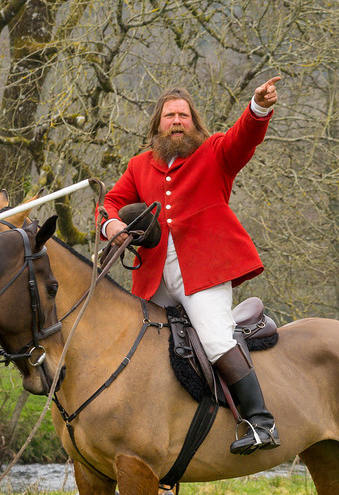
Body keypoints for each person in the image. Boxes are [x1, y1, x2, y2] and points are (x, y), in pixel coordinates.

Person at [102, 77, 281, 455]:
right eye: (170, 116)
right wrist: (111, 223)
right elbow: (111, 201)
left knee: (215, 337)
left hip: (203, 269)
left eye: (184, 115)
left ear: (194, 122)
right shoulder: (139, 166)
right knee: (140, 344)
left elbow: (243, 137)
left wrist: (258, 107)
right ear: (157, 126)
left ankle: (261, 423)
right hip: (153, 274)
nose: (177, 121)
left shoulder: (215, 151)